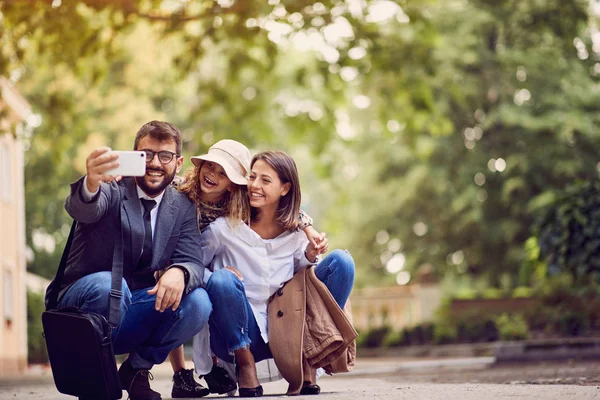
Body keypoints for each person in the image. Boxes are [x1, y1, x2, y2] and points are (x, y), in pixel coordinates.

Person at [46, 121, 212, 400]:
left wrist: (180, 272)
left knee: (199, 303)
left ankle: (135, 369)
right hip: (84, 307)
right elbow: (82, 208)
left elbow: (193, 261)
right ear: (133, 156)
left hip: (132, 310)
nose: (155, 163)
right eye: (146, 154)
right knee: (109, 286)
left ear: (179, 162)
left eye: (165, 156)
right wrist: (91, 182)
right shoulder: (113, 187)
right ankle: (95, 377)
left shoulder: (182, 206)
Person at [165, 140, 322, 398]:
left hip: (204, 262)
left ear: (234, 183)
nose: (213, 175)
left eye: (223, 172)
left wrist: (308, 227)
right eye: (210, 166)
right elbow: (151, 184)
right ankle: (181, 371)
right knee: (180, 295)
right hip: (175, 255)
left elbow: (286, 208)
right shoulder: (181, 189)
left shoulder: (233, 203)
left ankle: (217, 368)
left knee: (217, 283)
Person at [198, 150, 355, 397]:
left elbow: (304, 279)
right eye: (252, 177)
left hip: (288, 331)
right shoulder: (224, 229)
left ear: (285, 189)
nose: (255, 186)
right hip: (240, 332)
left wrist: (311, 254)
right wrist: (216, 278)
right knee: (221, 279)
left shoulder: (295, 233)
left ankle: (309, 360)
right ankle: (246, 365)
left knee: (342, 262)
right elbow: (193, 268)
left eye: (265, 180)